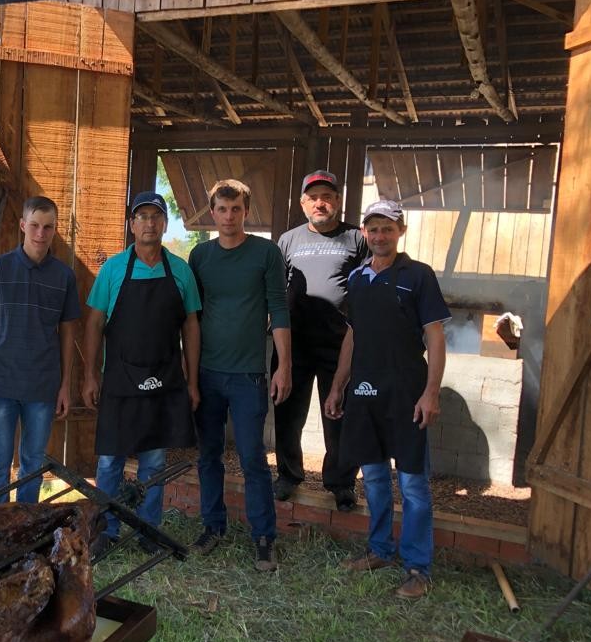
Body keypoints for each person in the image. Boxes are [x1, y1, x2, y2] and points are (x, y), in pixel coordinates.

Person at [323, 200, 449, 599]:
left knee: (412, 483)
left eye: (387, 229)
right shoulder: (358, 278)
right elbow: (353, 335)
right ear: (365, 233)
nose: (380, 236)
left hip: (407, 391)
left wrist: (431, 392)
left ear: (401, 231)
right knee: (374, 477)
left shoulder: (419, 276)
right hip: (364, 391)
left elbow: (435, 335)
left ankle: (418, 568)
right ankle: (379, 550)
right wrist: (338, 385)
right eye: (373, 229)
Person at [82, 191, 201, 553]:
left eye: (156, 216)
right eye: (142, 217)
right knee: (110, 461)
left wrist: (192, 381)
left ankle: (150, 531)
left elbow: (191, 326)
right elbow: (94, 323)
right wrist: (90, 375)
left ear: (165, 223)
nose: (149, 223)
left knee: (154, 461)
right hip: (119, 379)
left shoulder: (180, 271)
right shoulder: (113, 269)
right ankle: (106, 529)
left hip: (164, 381)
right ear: (132, 224)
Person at [188, 179, 291, 572]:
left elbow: (278, 310)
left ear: (246, 211)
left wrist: (284, 365)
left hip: (248, 374)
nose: (228, 217)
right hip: (207, 372)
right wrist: (189, 374)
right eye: (221, 209)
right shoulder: (200, 257)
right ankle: (213, 526)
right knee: (208, 455)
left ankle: (264, 537)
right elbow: (191, 319)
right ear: (211, 213)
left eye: (236, 209)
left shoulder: (265, 253)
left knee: (252, 458)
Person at [0, 196, 81, 504]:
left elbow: (68, 331)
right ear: (23, 225)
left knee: (32, 465)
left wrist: (65, 385)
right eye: (35, 226)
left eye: (48, 227)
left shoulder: (64, 276)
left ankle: (25, 531)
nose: (41, 233)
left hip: (42, 386)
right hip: (0, 382)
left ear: (55, 230)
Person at [273, 170, 369, 511]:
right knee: (287, 412)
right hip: (294, 344)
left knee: (338, 412)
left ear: (338, 201)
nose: (320, 202)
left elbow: (368, 286)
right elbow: (275, 289)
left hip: (339, 344)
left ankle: (341, 483)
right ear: (302, 203)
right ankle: (287, 474)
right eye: (313, 197)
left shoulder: (356, 238)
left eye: (327, 196)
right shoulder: (288, 240)